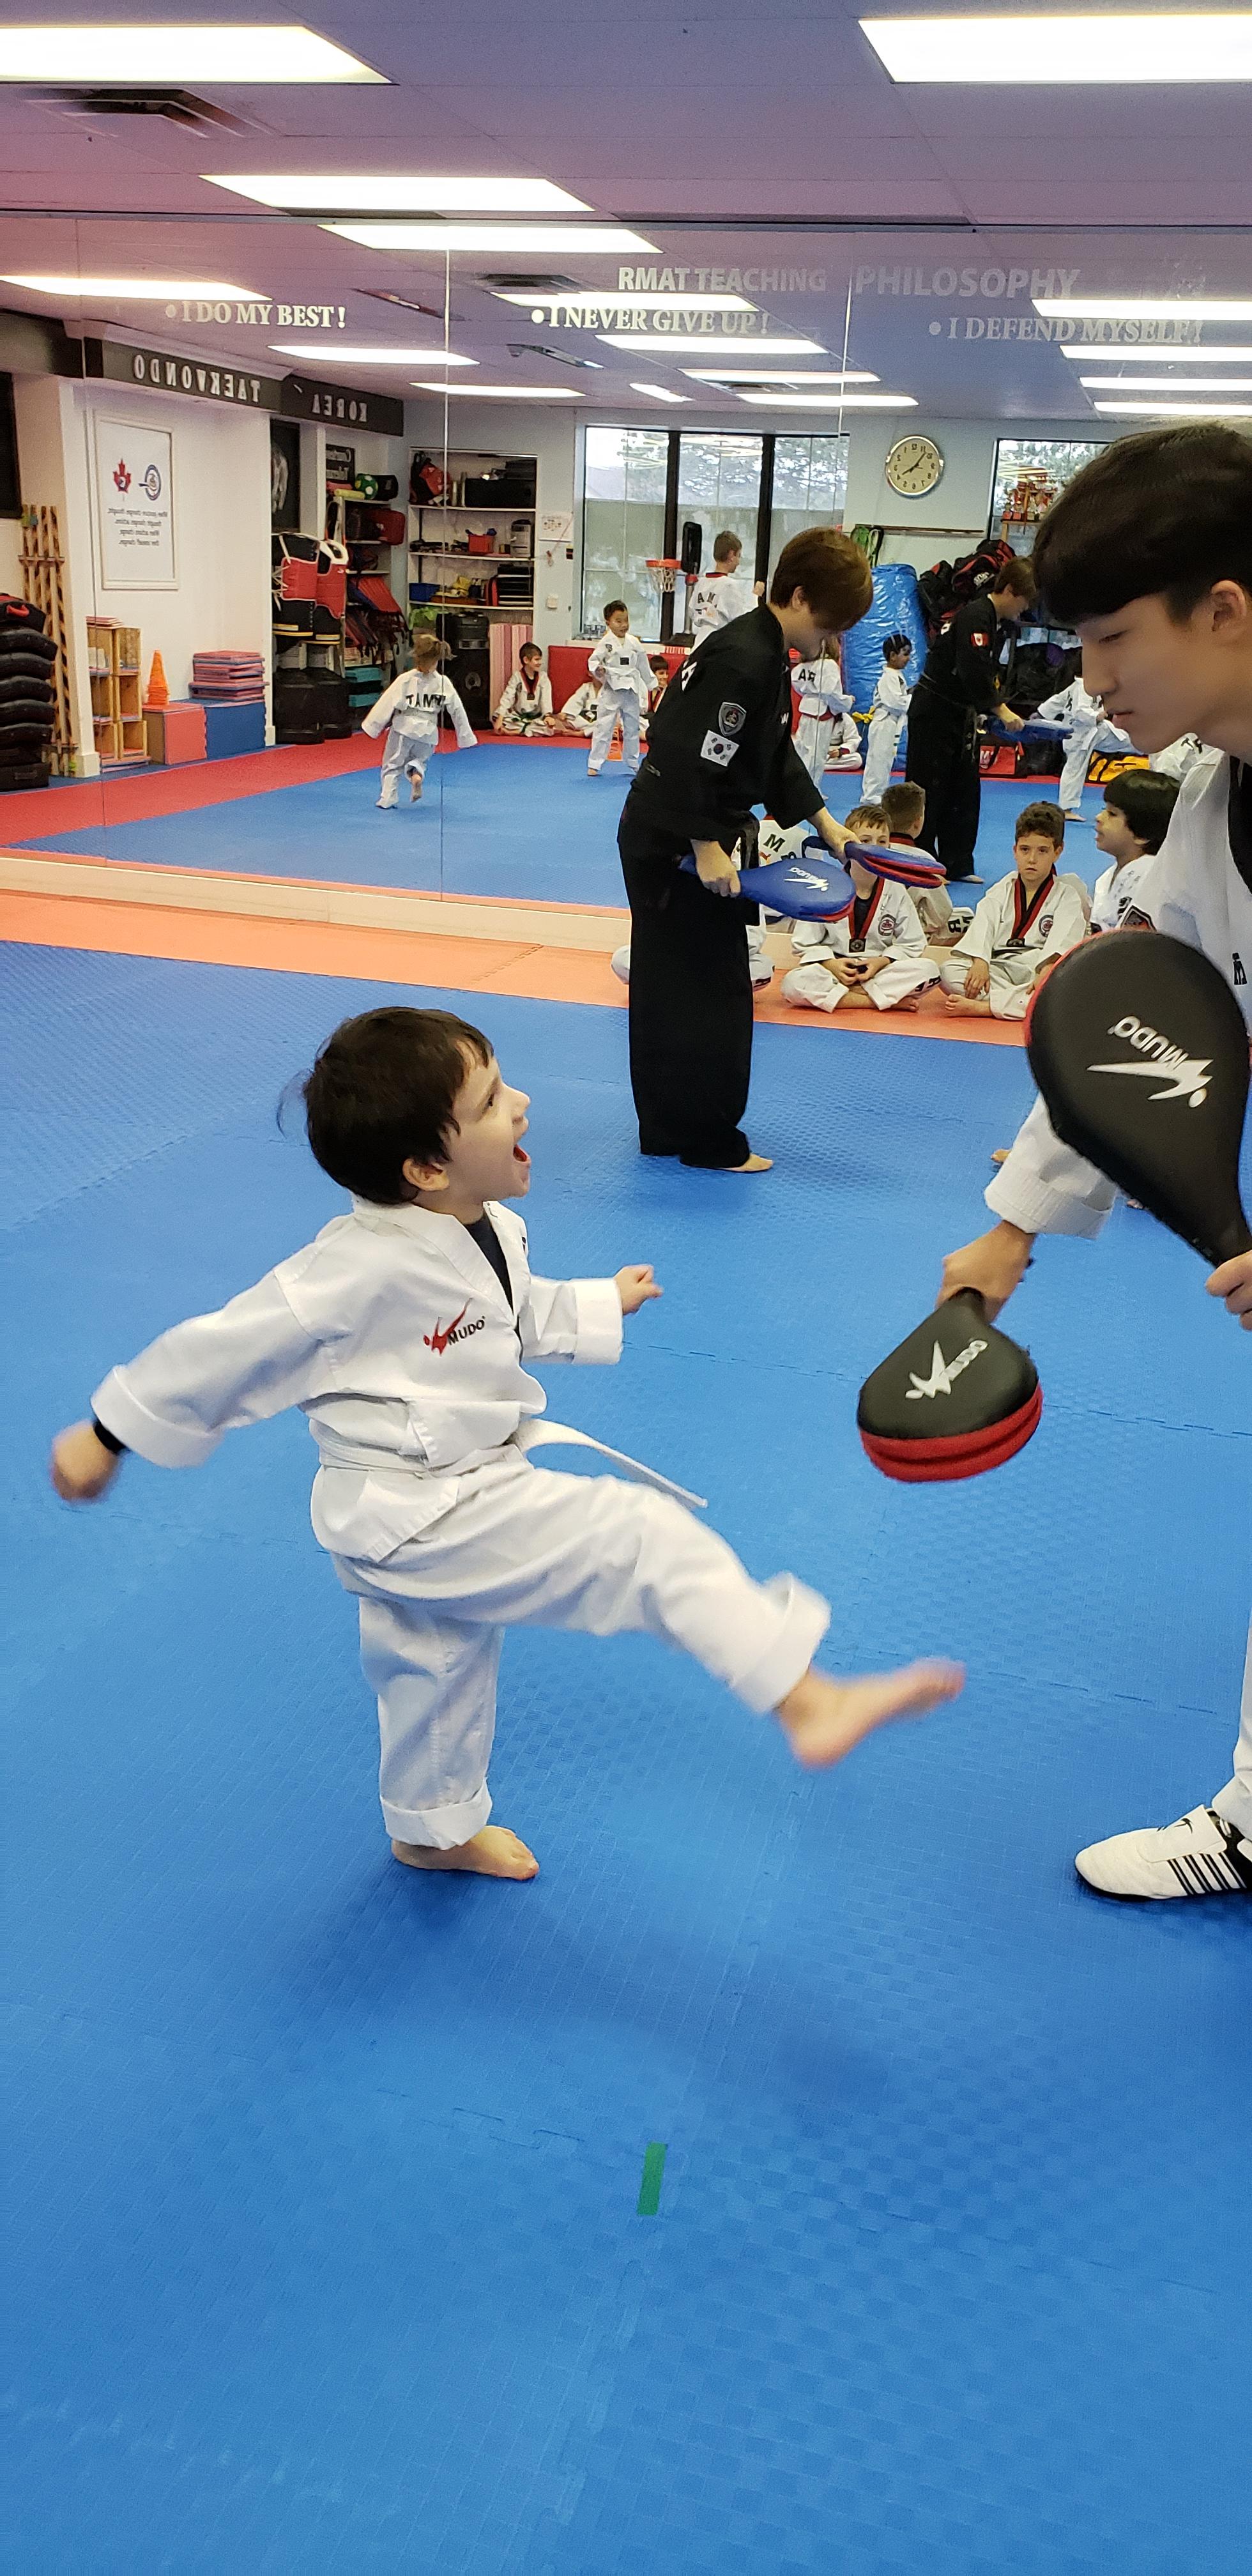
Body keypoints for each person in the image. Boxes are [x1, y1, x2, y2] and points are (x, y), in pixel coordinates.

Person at [49, 1006, 963, 1883]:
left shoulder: (487, 1225)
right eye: (489, 1102)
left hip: (430, 1502)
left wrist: (601, 1300)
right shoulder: (345, 1275)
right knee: (639, 1538)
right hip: (417, 1509)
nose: (521, 1103)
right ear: (424, 1169)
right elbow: (221, 1351)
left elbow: (509, 1313)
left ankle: (430, 1832)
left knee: (435, 1666)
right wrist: (108, 1434)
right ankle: (807, 1699)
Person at [937, 421, 1252, 1899]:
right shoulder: (1211, 802)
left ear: (1224, 610)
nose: (1093, 677)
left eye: (1115, 637)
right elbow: (1131, 1025)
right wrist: (1010, 1229)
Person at [617, 526, 873, 1172]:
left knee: (672, 986)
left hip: (670, 830)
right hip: (678, 840)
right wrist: (704, 844)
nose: (830, 641)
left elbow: (772, 753)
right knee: (713, 993)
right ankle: (708, 1140)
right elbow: (683, 749)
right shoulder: (745, 658)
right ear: (798, 596)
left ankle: (670, 1130)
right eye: (829, 624)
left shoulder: (762, 649)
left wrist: (827, 823)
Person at [905, 556, 1036, 882]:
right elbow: (972, 669)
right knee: (930, 788)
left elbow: (986, 672)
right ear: (1010, 590)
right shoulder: (976, 615)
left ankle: (958, 862)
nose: (1025, 609)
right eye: (1024, 600)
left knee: (964, 789)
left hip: (960, 713)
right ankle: (922, 861)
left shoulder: (994, 622)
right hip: (934, 712)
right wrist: (1000, 709)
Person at [781, 803, 938, 1016]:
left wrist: (882, 962)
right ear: (847, 844)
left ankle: (848, 998)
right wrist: (830, 964)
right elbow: (804, 942)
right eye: (865, 841)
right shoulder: (826, 886)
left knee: (930, 970)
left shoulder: (895, 889)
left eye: (882, 841)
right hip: (836, 970)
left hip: (878, 970)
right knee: (793, 983)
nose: (874, 848)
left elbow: (913, 942)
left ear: (890, 845)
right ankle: (876, 1001)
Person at [938, 799, 1087, 1019]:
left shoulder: (1067, 894)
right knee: (948, 972)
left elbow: (1063, 943)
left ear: (1058, 852)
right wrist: (980, 961)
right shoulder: (1002, 889)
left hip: (1035, 968)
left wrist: (1046, 969)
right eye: (1025, 850)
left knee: (1058, 987)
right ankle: (1023, 1004)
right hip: (1000, 967)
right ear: (1015, 850)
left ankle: (986, 1007)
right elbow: (984, 927)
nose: (1032, 859)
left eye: (1043, 851)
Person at [362, 633, 476, 808]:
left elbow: (387, 702)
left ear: (416, 657)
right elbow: (457, 710)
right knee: (419, 761)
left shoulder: (405, 679)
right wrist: (465, 736)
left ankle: (388, 798)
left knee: (393, 764)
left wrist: (373, 726)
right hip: (429, 733)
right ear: (437, 659)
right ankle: (416, 775)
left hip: (404, 728)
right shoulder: (444, 682)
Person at [1088, 767, 1179, 931]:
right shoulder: (1111, 875)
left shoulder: (1151, 882)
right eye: (1104, 810)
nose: (1099, 818)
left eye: (1112, 814)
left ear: (1142, 834)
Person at [1033, 670, 1133, 817]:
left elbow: (1058, 700)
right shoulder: (1084, 687)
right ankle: (1066, 809)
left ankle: (1149, 746)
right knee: (1075, 769)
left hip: (1095, 731)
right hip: (1079, 734)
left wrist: (1042, 713)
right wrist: (1096, 716)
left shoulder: (1081, 685)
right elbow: (1080, 711)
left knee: (1133, 741)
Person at [587, 602, 653, 777]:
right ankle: (595, 763)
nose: (624, 625)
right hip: (612, 688)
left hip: (631, 688)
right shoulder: (605, 643)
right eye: (618, 621)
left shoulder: (634, 642)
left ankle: (633, 761)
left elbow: (643, 664)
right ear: (608, 622)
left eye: (626, 620)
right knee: (604, 727)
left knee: (632, 728)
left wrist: (652, 683)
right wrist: (598, 670)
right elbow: (593, 661)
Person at [791, 647, 860, 785]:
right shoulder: (829, 665)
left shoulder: (801, 668)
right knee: (815, 756)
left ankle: (807, 788)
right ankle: (811, 789)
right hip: (821, 713)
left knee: (804, 752)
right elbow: (831, 693)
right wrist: (847, 701)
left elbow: (798, 687)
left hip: (808, 711)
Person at [861, 633, 913, 802]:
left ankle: (878, 792)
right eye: (905, 654)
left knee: (885, 761)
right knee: (879, 760)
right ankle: (872, 795)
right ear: (892, 656)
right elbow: (895, 702)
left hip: (890, 723)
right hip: (884, 722)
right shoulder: (889, 677)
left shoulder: (896, 675)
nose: (908, 658)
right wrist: (913, 698)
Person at [689, 530, 762, 646]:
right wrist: (756, 595)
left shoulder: (701, 583)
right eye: (738, 556)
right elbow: (743, 620)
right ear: (731, 555)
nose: (738, 562)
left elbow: (692, 611)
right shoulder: (729, 585)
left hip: (699, 642)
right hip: (718, 643)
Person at [495, 641, 556, 737]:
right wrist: (500, 717)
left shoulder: (543, 677)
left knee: (550, 728)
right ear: (526, 660)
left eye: (540, 659)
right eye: (537, 660)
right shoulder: (517, 676)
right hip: (519, 716)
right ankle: (528, 730)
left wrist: (547, 716)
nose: (540, 663)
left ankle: (514, 732)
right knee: (497, 716)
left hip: (537, 718)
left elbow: (546, 699)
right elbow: (508, 696)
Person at [558, 670, 601, 736]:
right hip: (586, 718)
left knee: (608, 723)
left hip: (601, 718)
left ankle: (581, 733)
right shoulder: (586, 687)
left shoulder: (610, 690)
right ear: (590, 673)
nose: (600, 674)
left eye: (603, 671)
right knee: (566, 719)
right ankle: (590, 731)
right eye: (597, 671)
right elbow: (576, 700)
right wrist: (566, 713)